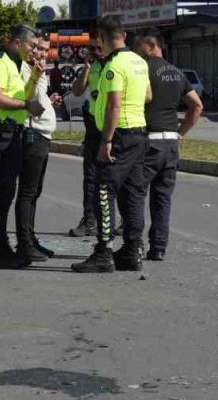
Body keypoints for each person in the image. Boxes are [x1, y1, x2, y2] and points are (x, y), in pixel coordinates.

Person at [72, 16, 152, 274]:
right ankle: (132, 249)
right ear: (124, 35)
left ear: (103, 39)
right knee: (133, 194)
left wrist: (106, 141)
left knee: (104, 191)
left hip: (119, 135)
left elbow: (114, 105)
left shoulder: (113, 66)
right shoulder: (139, 62)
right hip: (139, 133)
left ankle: (103, 251)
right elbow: (148, 95)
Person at [127, 28, 204, 263]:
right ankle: (158, 248)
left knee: (136, 193)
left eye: (138, 45)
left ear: (151, 46)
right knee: (162, 198)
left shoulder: (142, 70)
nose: (135, 50)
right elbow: (197, 106)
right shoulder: (177, 73)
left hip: (147, 141)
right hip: (170, 144)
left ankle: (134, 245)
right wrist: (180, 133)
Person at [0, 24, 45, 270]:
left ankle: (3, 247)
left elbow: (22, 95)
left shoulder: (17, 66)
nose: (33, 50)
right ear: (17, 42)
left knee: (8, 193)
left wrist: (35, 77)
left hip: (12, 134)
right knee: (0, 194)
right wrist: (26, 105)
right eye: (31, 45)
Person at [15, 34, 61, 262]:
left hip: (43, 132)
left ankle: (31, 239)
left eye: (46, 49)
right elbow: (26, 97)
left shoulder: (39, 70)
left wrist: (49, 101)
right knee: (27, 191)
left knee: (35, 192)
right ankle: (24, 243)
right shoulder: (26, 69)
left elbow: (37, 100)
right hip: (31, 134)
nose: (42, 53)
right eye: (38, 48)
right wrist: (36, 76)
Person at [68, 41, 108, 238]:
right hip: (93, 125)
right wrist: (86, 69)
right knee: (90, 176)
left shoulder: (114, 64)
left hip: (114, 125)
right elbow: (77, 90)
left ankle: (123, 220)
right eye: (92, 50)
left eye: (99, 49)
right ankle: (89, 220)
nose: (95, 53)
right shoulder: (91, 67)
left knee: (117, 177)